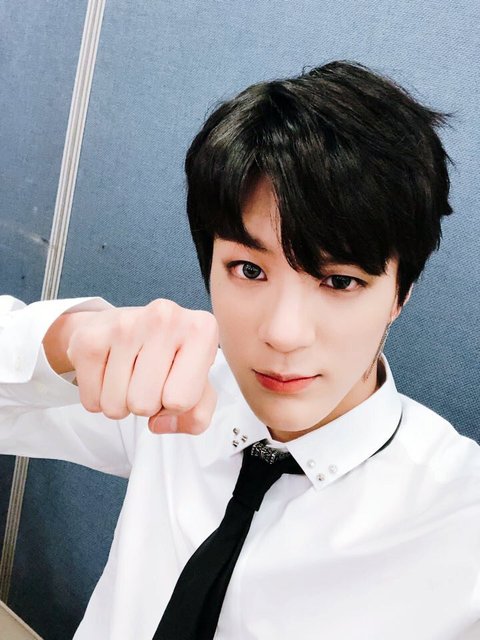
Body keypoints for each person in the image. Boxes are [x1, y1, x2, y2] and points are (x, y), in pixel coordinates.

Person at [0, 60, 479, 640]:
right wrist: (67, 340)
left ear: (400, 294)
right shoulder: (181, 393)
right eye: (249, 269)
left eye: (340, 281)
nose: (283, 333)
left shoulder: (460, 523)